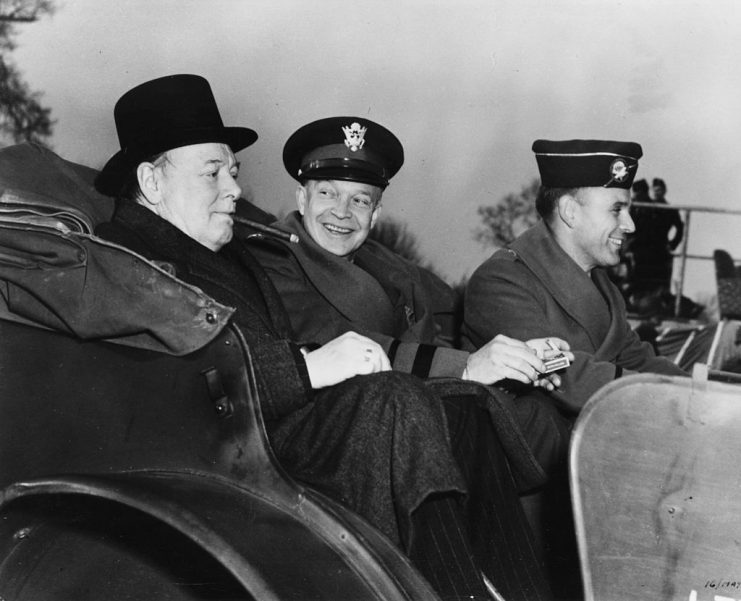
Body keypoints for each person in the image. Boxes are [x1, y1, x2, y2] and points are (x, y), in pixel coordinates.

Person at [94, 74, 556, 601]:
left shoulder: (217, 250)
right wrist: (308, 367)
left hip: (273, 430)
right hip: (227, 458)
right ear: (152, 183)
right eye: (213, 173)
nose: (235, 189)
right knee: (395, 402)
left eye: (234, 172)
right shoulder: (127, 260)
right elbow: (172, 386)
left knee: (466, 405)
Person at [249, 115, 573, 473]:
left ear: (375, 214)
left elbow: (429, 342)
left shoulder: (391, 267)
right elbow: (340, 342)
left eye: (360, 200)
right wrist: (467, 367)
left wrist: (516, 363)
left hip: (402, 411)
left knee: (541, 419)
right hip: (336, 435)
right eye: (327, 193)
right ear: (302, 197)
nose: (341, 213)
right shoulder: (272, 257)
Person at [463, 139, 688, 413]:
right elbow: (568, 375)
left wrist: (702, 392)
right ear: (570, 212)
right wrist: (676, 400)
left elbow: (637, 359)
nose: (630, 225)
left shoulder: (604, 289)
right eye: (617, 210)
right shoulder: (501, 282)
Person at [627, 176, 684, 302]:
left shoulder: (669, 209)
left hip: (660, 247)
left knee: (658, 278)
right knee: (640, 276)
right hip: (643, 247)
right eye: (655, 190)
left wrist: (672, 244)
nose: (657, 192)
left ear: (664, 191)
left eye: (660, 190)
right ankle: (638, 302)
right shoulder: (646, 206)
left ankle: (656, 304)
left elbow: (680, 227)